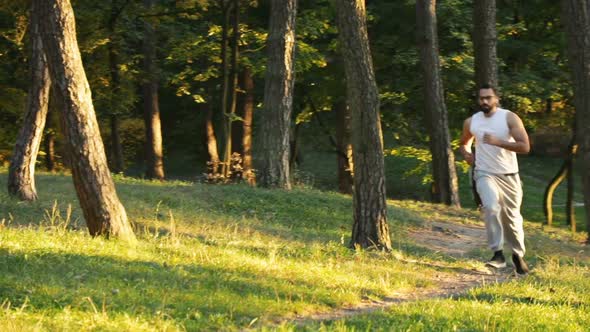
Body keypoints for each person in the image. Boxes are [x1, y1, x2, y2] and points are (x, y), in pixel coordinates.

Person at [459, 84, 530, 275]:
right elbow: (464, 143)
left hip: (509, 175)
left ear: (496, 99)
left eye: (488, 97)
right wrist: (467, 154)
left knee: (512, 218)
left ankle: (517, 255)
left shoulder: (509, 117)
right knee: (491, 207)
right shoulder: (472, 122)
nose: (484, 101)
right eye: (481, 98)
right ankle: (497, 254)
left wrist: (499, 142)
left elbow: (525, 147)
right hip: (484, 172)